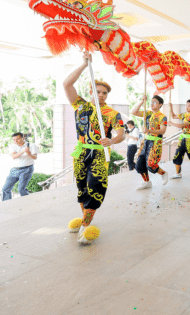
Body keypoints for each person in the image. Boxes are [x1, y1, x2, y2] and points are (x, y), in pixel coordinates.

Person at [63, 52, 125, 244]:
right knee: (81, 189)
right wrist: (83, 64)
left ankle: (84, 227)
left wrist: (112, 141)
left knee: (95, 188)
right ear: (91, 91)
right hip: (81, 152)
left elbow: (121, 134)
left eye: (104, 93)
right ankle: (86, 222)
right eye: (97, 91)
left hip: (99, 153)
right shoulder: (80, 105)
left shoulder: (112, 113)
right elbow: (67, 84)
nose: (101, 95)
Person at [131, 94, 169, 189]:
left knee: (151, 165)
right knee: (139, 164)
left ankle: (163, 173)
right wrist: (141, 101)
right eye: (151, 101)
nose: (152, 103)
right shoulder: (148, 113)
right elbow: (133, 112)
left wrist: (149, 131)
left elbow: (163, 131)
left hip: (155, 143)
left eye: (155, 102)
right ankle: (147, 182)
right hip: (145, 141)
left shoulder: (162, 117)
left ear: (160, 105)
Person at [2, 132, 38, 201]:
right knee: (5, 189)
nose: (15, 141)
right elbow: (14, 156)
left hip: (27, 169)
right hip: (15, 169)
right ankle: (7, 204)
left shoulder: (32, 145)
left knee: (21, 189)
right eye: (14, 140)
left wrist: (29, 153)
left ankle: (27, 203)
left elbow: (35, 157)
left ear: (23, 138)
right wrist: (23, 151)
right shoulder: (12, 146)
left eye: (17, 139)